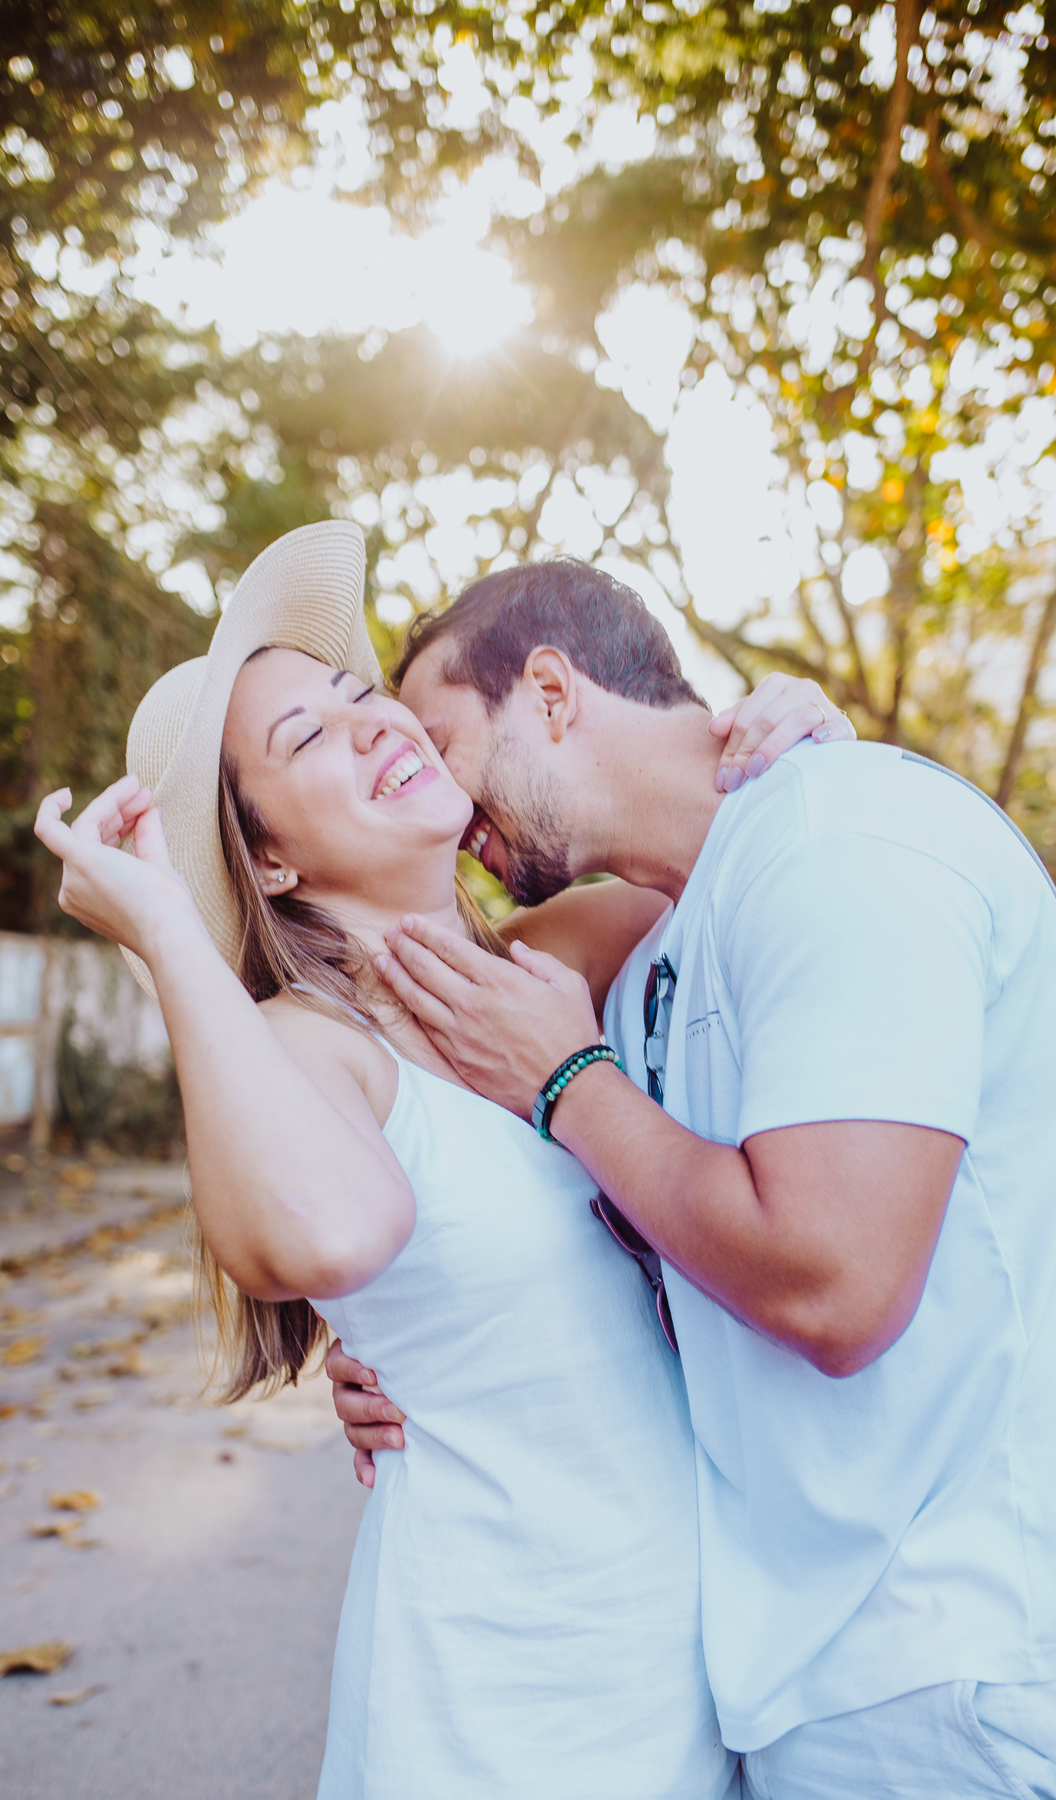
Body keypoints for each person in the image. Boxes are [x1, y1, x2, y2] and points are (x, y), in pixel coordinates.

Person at [334, 555, 1056, 1800]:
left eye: (440, 737)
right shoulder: (656, 942)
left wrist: (570, 1082)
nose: (439, 793)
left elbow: (833, 1288)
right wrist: (394, 1352)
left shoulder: (844, 843)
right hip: (834, 1678)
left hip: (983, 1677)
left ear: (552, 692)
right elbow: (555, 1180)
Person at [33, 521, 849, 1800]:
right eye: (305, 737)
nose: (372, 723)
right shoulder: (310, 1045)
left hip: (690, 1672)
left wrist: (785, 722)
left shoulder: (555, 954)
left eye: (361, 697)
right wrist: (167, 934)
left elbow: (716, 835)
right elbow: (326, 1238)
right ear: (273, 861)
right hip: (501, 1693)